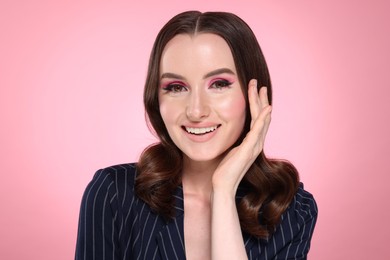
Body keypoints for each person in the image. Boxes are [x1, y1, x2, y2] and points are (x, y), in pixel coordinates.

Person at [75, 10, 317, 260]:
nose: (196, 110)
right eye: (176, 87)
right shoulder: (114, 193)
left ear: (253, 95)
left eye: (219, 84)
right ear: (156, 99)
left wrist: (223, 191)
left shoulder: (291, 210)